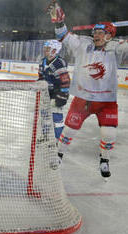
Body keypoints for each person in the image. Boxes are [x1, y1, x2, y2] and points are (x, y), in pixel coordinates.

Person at [48, 0, 128, 178]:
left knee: (109, 133)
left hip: (107, 101)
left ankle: (104, 160)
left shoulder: (117, 47)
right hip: (83, 99)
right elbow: (64, 36)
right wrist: (59, 22)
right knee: (69, 130)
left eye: (101, 32)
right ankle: (58, 154)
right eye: (95, 32)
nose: (96, 35)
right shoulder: (83, 44)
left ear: (110, 35)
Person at [38, 39, 70, 139]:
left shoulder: (58, 63)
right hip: (46, 93)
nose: (45, 50)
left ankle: (58, 139)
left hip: (57, 94)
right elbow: (41, 77)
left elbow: (65, 81)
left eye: (48, 49)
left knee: (57, 118)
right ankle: (45, 135)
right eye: (45, 48)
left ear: (54, 50)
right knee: (44, 116)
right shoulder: (42, 61)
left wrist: (62, 97)